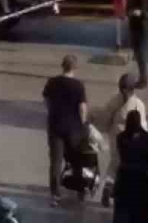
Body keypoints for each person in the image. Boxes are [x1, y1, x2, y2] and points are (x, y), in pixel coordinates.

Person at [43, 54, 88, 207]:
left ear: (62, 65)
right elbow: (82, 108)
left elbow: (47, 102)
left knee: (55, 161)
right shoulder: (78, 85)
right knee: (76, 161)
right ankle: (80, 191)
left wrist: (53, 113)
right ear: (75, 67)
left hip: (55, 126)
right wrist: (83, 125)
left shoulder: (52, 82)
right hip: (73, 128)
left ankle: (55, 194)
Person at [101, 72, 148, 207]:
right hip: (131, 139)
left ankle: (109, 186)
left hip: (115, 135)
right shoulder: (138, 104)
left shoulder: (114, 100)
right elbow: (143, 125)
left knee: (114, 164)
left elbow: (106, 117)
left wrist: (107, 130)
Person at [113, 110, 148, 223]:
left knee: (122, 215)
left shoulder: (121, 138)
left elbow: (120, 156)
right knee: (141, 215)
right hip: (142, 181)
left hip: (124, 180)